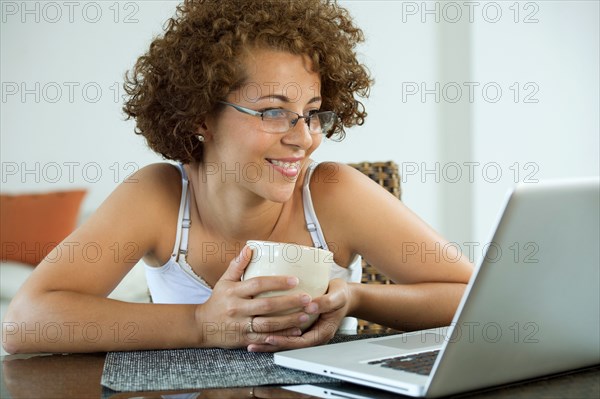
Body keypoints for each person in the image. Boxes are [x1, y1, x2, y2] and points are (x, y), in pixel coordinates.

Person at [2, 0, 473, 354]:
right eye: (273, 112)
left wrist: (352, 297)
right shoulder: (160, 197)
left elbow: (470, 299)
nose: (304, 139)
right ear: (201, 117)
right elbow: (24, 323)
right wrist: (203, 324)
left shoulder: (331, 192)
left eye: (311, 114)